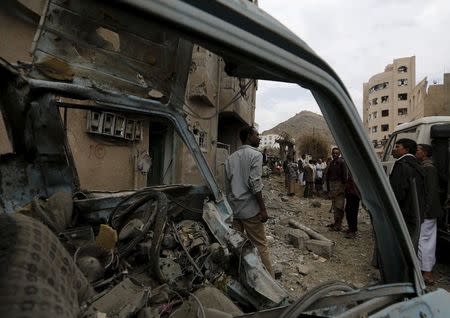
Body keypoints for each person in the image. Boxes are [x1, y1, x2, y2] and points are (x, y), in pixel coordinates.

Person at [224, 126, 274, 277]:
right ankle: (271, 283)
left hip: (235, 210)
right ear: (248, 137)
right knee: (260, 245)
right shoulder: (256, 155)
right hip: (251, 211)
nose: (259, 138)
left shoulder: (230, 158)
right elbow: (255, 183)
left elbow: (227, 187)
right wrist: (263, 209)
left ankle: (238, 278)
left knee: (237, 246)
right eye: (257, 135)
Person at [389, 138, 426, 250]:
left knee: (403, 245)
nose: (394, 150)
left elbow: (398, 193)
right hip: (416, 212)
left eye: (397, 147)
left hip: (404, 213)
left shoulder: (402, 165)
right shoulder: (417, 165)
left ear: (406, 150)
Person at [416, 144, 444, 285]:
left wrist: (425, 211)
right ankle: (425, 269)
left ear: (425, 153)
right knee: (427, 240)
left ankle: (427, 272)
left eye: (418, 150)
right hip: (428, 211)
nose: (416, 152)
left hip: (428, 212)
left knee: (424, 241)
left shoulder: (429, 168)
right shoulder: (425, 166)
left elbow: (431, 192)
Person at [326, 148, 347, 231]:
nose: (334, 154)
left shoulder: (342, 162)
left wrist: (342, 188)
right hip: (333, 186)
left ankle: (339, 225)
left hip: (339, 186)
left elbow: (344, 177)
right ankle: (336, 223)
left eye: (336, 153)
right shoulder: (332, 163)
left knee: (339, 206)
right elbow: (328, 175)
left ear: (339, 154)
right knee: (334, 205)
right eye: (333, 153)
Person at [344, 172, 360, 239]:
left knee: (352, 212)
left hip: (354, 194)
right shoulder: (351, 171)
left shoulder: (356, 171)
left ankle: (353, 230)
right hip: (349, 193)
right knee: (348, 210)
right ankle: (351, 228)